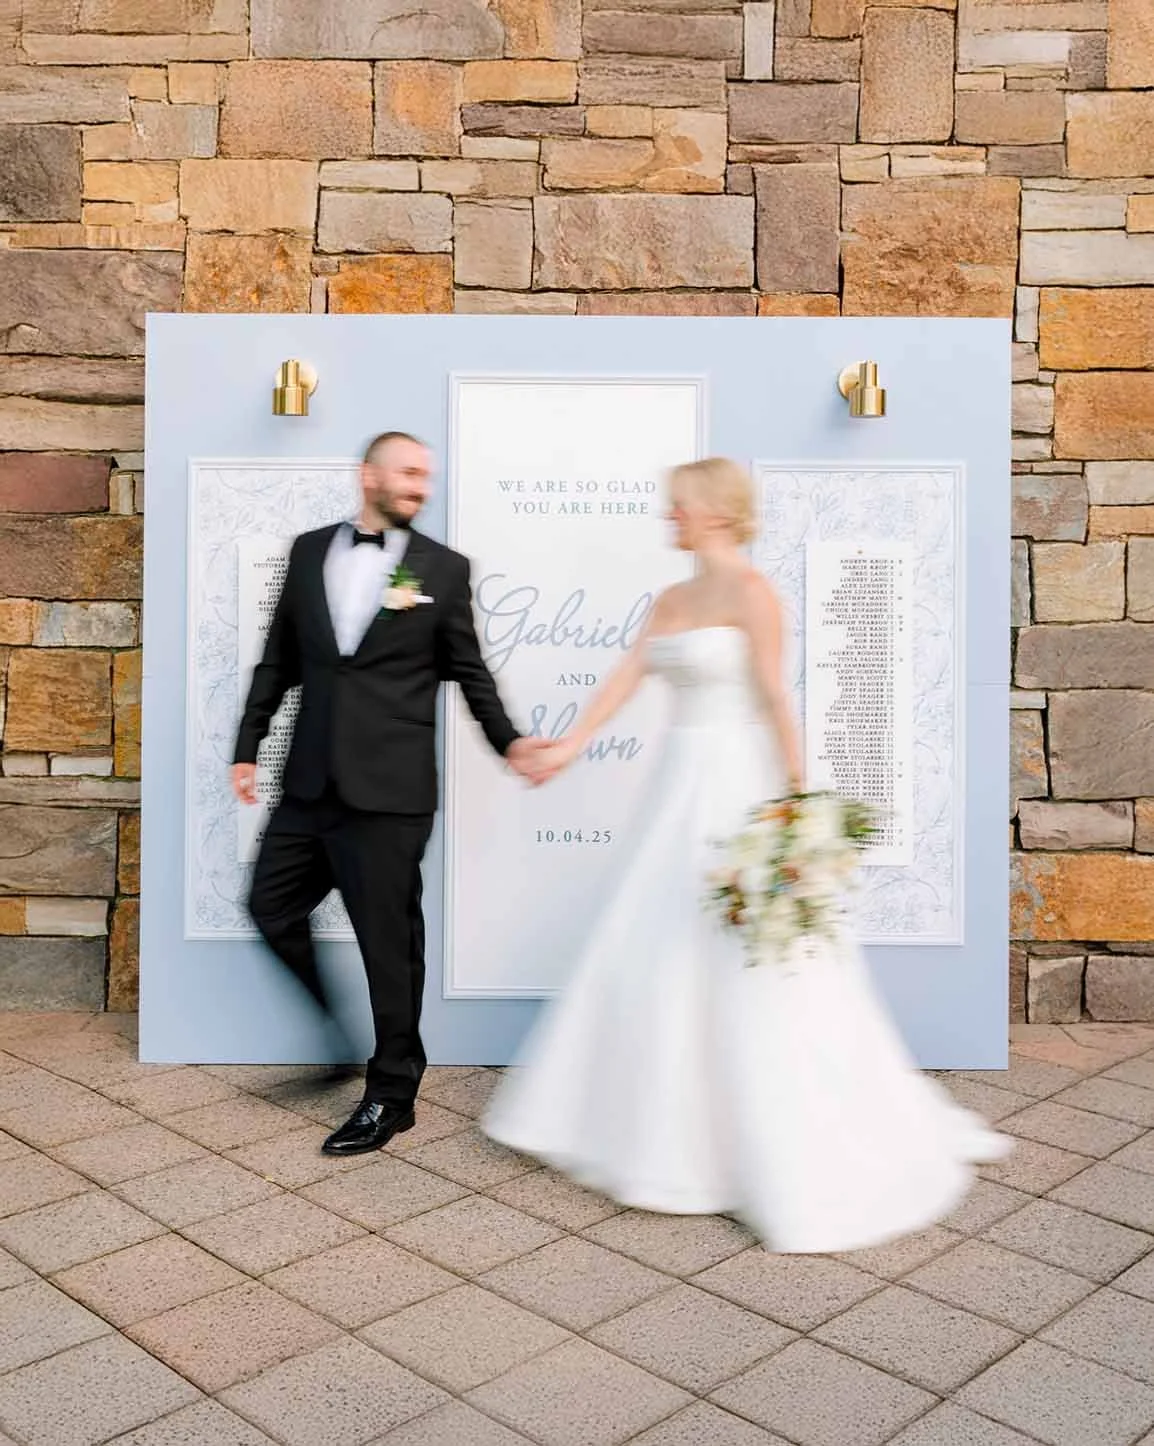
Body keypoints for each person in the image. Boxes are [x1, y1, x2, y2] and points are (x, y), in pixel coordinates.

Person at [483, 456, 1011, 1253]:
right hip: (676, 792)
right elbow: (626, 679)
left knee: (744, 955)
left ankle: (766, 1141)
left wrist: (799, 809)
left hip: (736, 790)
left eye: (679, 508)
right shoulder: (671, 599)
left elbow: (773, 701)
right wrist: (569, 749)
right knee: (655, 942)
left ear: (716, 513)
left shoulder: (754, 596)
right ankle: (660, 1132)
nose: (669, 520)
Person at [232, 431, 547, 1156]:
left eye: (426, 477)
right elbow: (278, 659)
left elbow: (471, 673)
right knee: (270, 907)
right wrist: (248, 747)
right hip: (310, 781)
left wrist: (510, 742)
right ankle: (340, 1042)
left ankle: (392, 1093)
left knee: (387, 947)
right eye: (407, 472)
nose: (419, 486)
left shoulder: (443, 568)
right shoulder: (310, 551)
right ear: (367, 473)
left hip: (391, 793)